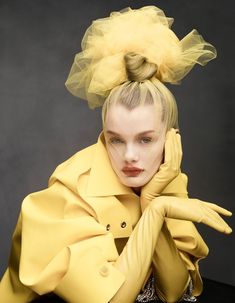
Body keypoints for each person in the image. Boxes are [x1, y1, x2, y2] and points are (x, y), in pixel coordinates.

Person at [0, 6, 232, 303]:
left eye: (146, 139)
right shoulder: (70, 192)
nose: (130, 156)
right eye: (116, 140)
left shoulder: (165, 178)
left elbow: (173, 292)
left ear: (172, 140)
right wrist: (156, 211)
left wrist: (151, 200)